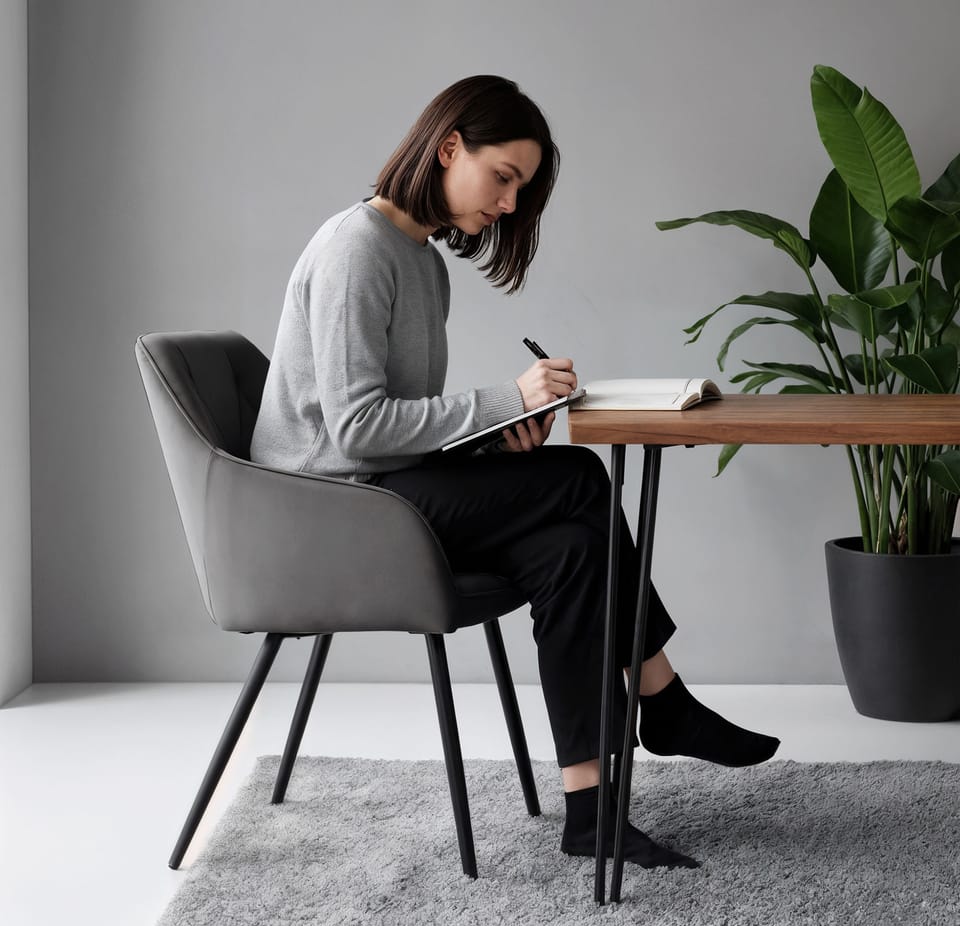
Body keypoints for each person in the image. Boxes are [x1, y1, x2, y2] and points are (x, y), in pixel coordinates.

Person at [251, 75, 780, 870]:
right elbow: (356, 432)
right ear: (448, 148)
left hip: (383, 495)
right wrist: (505, 398)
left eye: (519, 190)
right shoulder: (356, 250)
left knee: (574, 550)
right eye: (503, 178)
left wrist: (494, 443)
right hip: (332, 514)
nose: (506, 205)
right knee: (580, 479)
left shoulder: (422, 263)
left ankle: (591, 811)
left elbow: (402, 435)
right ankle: (663, 697)